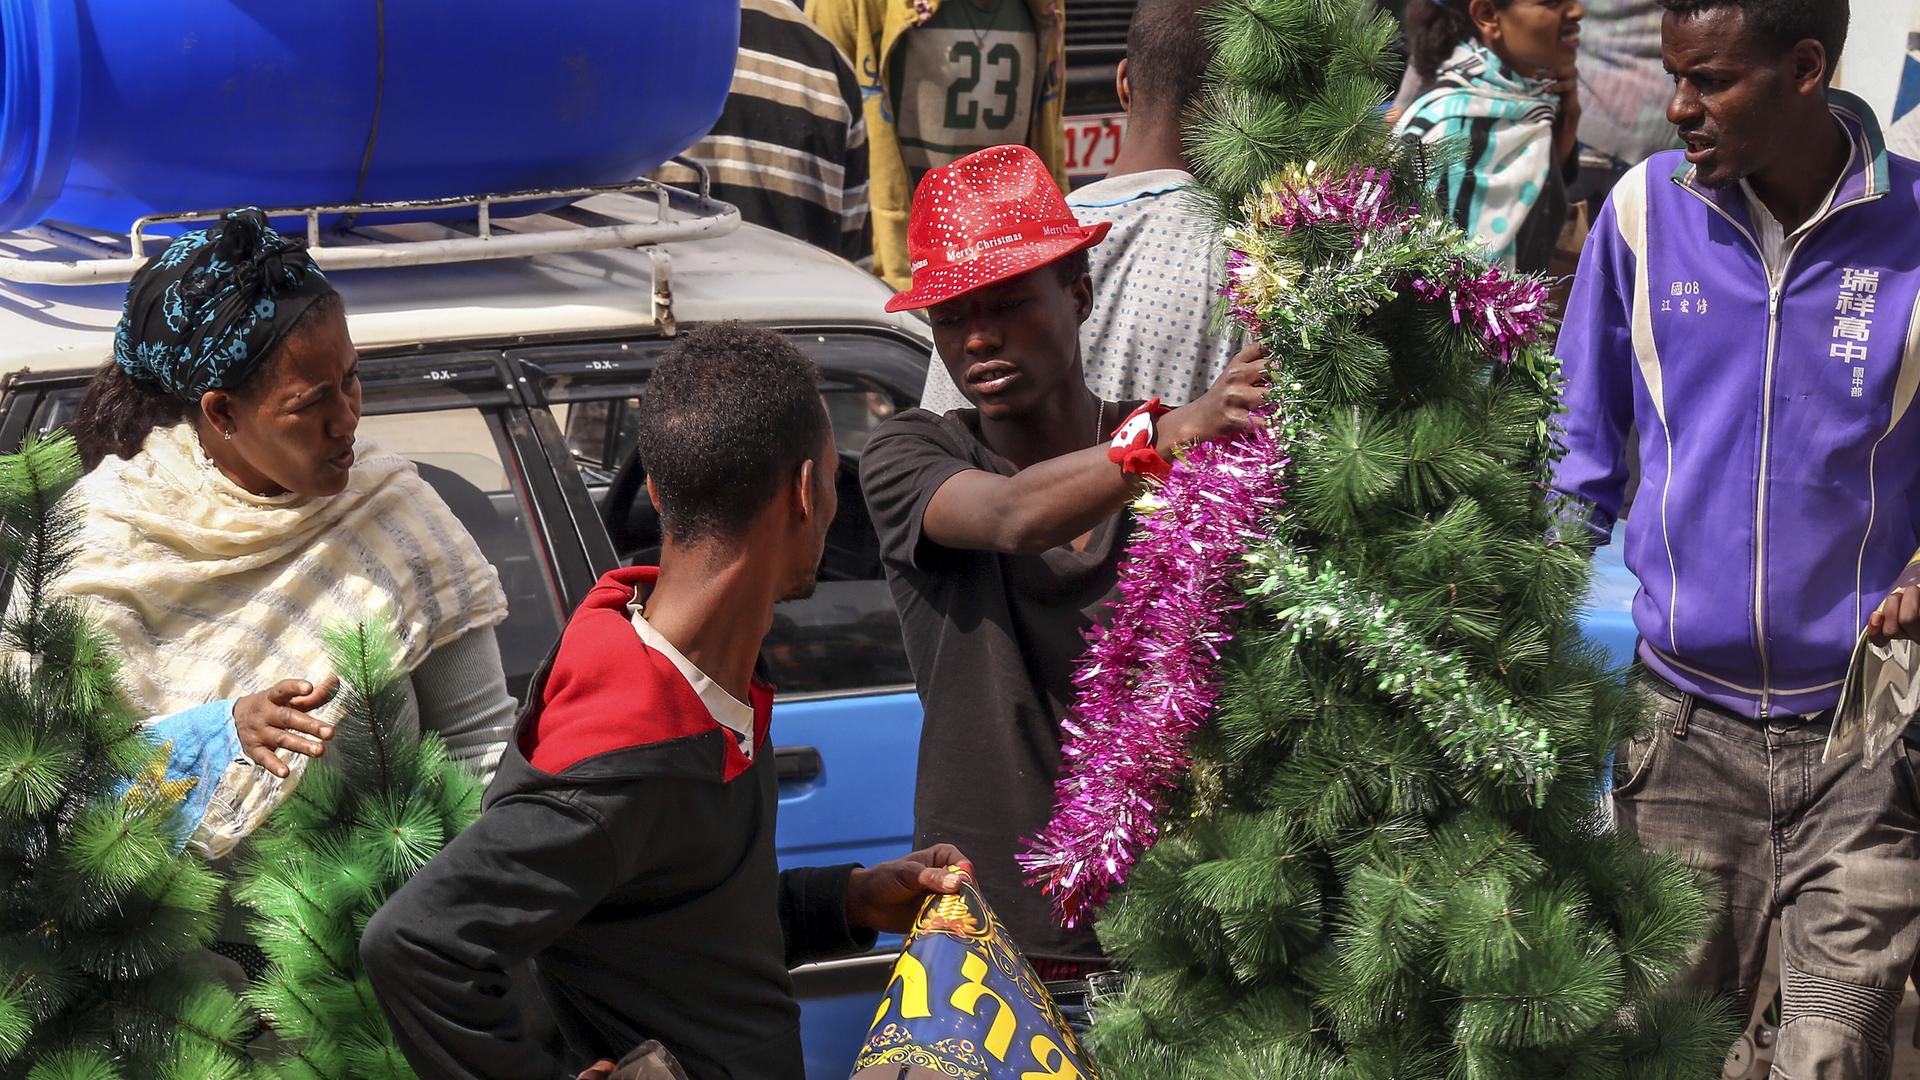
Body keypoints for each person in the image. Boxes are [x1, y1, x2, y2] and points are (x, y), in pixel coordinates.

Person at [361, 323, 970, 1080]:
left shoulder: (701, 687)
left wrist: (846, 902)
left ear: (655, 489)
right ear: (807, 494)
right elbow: (415, 946)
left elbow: (683, 937)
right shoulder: (626, 754)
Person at [1551, 1, 1920, 1074]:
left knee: (1827, 1057)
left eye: (1710, 80)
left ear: (1804, 69)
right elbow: (1580, 460)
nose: (1677, 107)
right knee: (1658, 1051)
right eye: (1674, 76)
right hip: (1677, 739)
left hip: (1864, 742)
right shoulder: (1637, 217)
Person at [861, 144, 1268, 1006]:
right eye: (951, 316)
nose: (977, 337)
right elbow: (1011, 517)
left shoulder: (1172, 453)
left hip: (1166, 944)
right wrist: (1171, 436)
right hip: (983, 942)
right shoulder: (911, 454)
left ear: (1079, 294)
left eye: (1007, 304)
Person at [60, 208, 514, 861]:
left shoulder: (390, 511)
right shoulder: (106, 539)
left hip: (391, 942)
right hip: (197, 960)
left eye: (351, 379)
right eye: (311, 403)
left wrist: (442, 924)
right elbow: (49, 789)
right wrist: (215, 735)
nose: (347, 419)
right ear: (223, 412)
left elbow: (481, 744)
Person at [920, 0, 1240, 414]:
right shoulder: (1251, 264)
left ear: (1123, 83)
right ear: (1236, 103)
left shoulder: (1006, 245)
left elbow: (945, 429)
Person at [805, 0, 1068, 290]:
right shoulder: (852, 7)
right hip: (897, 284)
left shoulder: (1045, 9)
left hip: (1007, 274)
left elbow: (1050, 145)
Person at [649, 0, 870, 264]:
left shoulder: (625, 47)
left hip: (646, 298)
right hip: (792, 300)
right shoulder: (828, 66)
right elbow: (856, 274)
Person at [1394, 0, 1585, 272]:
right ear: (1488, 15)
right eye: (1552, 2)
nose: (1578, 11)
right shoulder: (1455, 131)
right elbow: (1447, 292)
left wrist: (1564, 126)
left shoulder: (1524, 103)